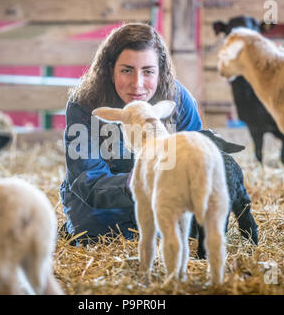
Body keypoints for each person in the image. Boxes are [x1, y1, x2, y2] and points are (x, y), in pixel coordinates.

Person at [59, 23, 202, 244]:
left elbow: (198, 159)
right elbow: (86, 179)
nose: (138, 84)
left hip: (164, 197)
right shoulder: (84, 104)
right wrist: (140, 182)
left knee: (193, 233)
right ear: (109, 69)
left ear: (160, 71)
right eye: (126, 70)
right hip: (103, 203)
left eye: (148, 71)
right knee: (99, 238)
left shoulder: (179, 100)